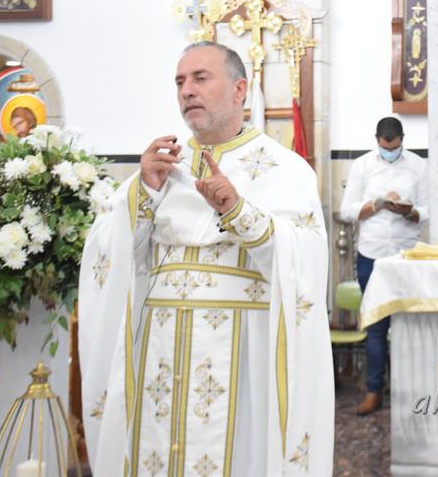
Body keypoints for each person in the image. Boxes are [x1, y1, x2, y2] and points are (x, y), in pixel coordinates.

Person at [78, 41, 333, 476]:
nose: (187, 91)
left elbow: (304, 258)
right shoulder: (162, 168)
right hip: (159, 349)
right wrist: (144, 192)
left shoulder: (286, 169)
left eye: (200, 78)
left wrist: (238, 211)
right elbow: (111, 254)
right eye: (180, 82)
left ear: (239, 89)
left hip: (243, 353)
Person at [339, 116, 428, 415]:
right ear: (377, 140)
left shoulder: (418, 165)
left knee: (409, 325)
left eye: (395, 147)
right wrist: (376, 204)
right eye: (385, 147)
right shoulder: (362, 165)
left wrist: (407, 211)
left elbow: (428, 209)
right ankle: (374, 392)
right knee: (376, 327)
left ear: (403, 140)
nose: (390, 152)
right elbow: (347, 211)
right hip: (372, 255)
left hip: (407, 256)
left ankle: (411, 393)